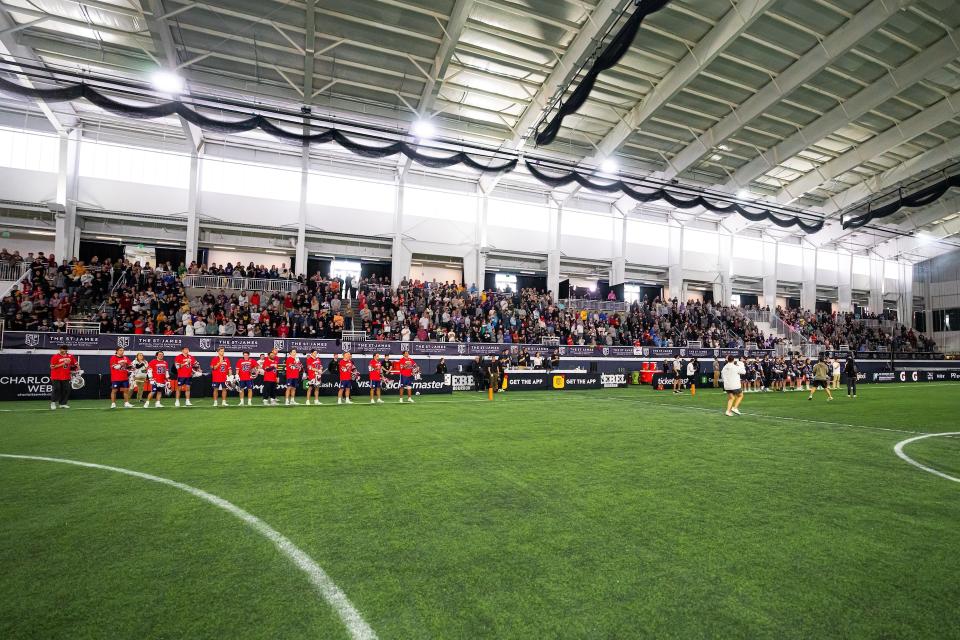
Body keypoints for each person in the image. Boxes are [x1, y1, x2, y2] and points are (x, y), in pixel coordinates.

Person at [49, 343, 77, 410]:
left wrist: (77, 369)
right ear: (60, 350)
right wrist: (63, 363)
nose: (64, 351)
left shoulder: (70, 356)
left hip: (66, 376)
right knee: (57, 389)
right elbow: (52, 367)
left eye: (66, 350)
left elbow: (74, 365)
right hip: (56, 376)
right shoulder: (55, 356)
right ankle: (53, 403)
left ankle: (63, 404)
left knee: (66, 390)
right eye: (63, 350)